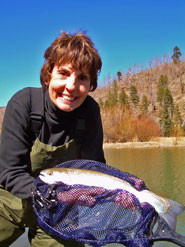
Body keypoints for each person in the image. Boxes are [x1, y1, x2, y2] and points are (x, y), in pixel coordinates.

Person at [0, 30, 105, 247]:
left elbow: (93, 169)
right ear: (49, 75)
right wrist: (49, 194)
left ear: (91, 84)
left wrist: (110, 193)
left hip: (61, 214)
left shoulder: (90, 111)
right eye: (64, 73)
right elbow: (10, 172)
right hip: (11, 202)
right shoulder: (23, 103)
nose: (71, 86)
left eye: (82, 77)